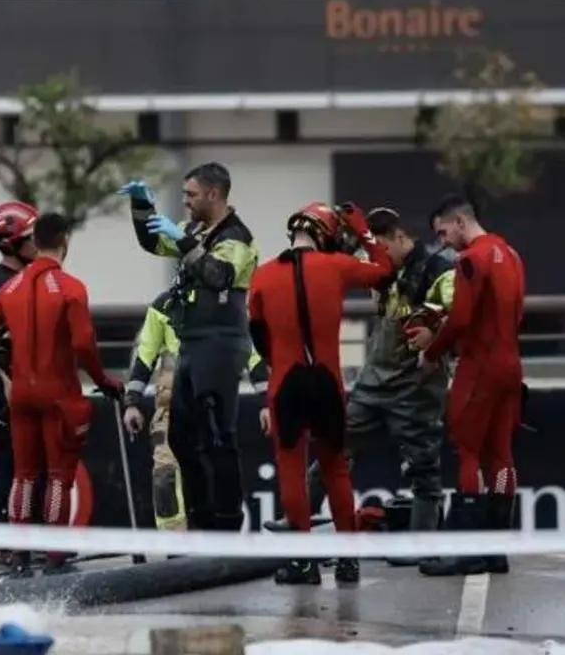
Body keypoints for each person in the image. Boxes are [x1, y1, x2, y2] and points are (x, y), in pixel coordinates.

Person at [269, 207, 456, 564]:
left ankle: (421, 547)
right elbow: (324, 263)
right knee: (332, 449)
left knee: (423, 468)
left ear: (401, 238)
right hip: (373, 382)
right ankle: (297, 524)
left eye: (382, 246)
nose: (376, 255)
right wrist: (343, 231)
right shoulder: (377, 266)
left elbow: (457, 310)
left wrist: (435, 331)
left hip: (417, 387)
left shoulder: (438, 271)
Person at [249, 202, 392, 585]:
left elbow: (258, 336)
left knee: (293, 471)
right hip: (328, 382)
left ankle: (302, 564)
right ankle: (348, 562)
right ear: (326, 234)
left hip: (286, 382)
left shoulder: (261, 276)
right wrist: (363, 230)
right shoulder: (336, 266)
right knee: (336, 469)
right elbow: (384, 270)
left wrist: (278, 363)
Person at [0, 212, 124, 573]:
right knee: (58, 474)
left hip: (22, 393)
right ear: (65, 241)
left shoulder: (11, 287)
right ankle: (55, 552)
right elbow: (85, 344)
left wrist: (2, 358)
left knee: (24, 473)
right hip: (59, 394)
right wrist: (104, 381)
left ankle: (20, 551)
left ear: (35, 241)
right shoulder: (71, 287)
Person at [120, 163, 259, 532]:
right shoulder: (196, 230)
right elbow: (153, 241)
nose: (185, 202)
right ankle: (200, 520)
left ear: (214, 194)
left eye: (191, 195)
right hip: (191, 345)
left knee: (219, 437)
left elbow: (218, 275)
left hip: (222, 343)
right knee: (181, 437)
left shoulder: (236, 237)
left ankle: (227, 523)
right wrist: (141, 209)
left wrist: (184, 242)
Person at [414, 195, 526, 578]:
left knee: (467, 450)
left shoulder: (471, 261)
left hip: (480, 366)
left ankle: (465, 550)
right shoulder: (510, 254)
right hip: (511, 365)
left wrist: (431, 353)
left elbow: (460, 320)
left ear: (460, 222)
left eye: (443, 232)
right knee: (501, 456)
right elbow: (518, 312)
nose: (443, 241)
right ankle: (496, 550)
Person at [122, 292, 269, 531]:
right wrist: (132, 401)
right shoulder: (165, 304)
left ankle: (222, 531)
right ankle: (177, 541)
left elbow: (252, 355)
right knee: (166, 473)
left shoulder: (229, 307)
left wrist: (266, 400)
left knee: (218, 462)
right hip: (173, 396)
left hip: (214, 393)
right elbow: (144, 355)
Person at [0, 200, 40, 566]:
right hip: (8, 381)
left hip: (24, 379)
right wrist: (9, 382)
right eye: (31, 238)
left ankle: (24, 537)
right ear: (12, 244)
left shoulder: (23, 277)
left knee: (28, 462)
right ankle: (6, 541)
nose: (37, 244)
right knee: (10, 460)